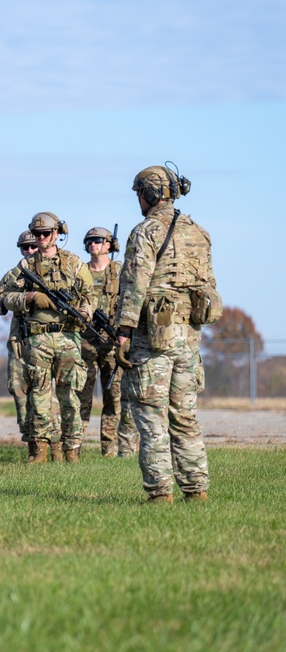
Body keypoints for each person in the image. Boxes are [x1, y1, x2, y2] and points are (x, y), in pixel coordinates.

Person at [116, 164, 218, 503]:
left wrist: (123, 332)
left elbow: (135, 284)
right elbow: (208, 285)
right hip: (189, 337)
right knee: (185, 416)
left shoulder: (146, 231)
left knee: (150, 416)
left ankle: (160, 494)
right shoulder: (199, 232)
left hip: (153, 339)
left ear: (148, 194)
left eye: (139, 195)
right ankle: (196, 490)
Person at [0, 213, 92, 464]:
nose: (41, 239)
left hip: (68, 335)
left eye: (46, 233)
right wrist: (29, 298)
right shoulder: (24, 268)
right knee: (39, 395)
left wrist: (84, 311)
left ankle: (72, 451)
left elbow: (89, 295)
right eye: (37, 235)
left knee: (70, 395)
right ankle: (40, 450)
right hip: (37, 339)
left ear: (58, 233)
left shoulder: (74, 263)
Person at [0, 230, 63, 460]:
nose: (30, 251)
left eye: (33, 246)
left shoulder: (58, 272)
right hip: (21, 343)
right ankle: (33, 446)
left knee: (49, 395)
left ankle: (57, 446)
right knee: (20, 391)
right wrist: (22, 299)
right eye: (25, 248)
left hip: (50, 341)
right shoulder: (16, 274)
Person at [76, 227, 124, 457]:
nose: (93, 244)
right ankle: (74, 449)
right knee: (81, 398)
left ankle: (110, 450)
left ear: (109, 245)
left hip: (113, 344)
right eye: (89, 241)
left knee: (114, 399)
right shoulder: (79, 272)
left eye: (98, 241)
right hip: (84, 343)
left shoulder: (120, 272)